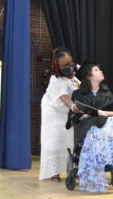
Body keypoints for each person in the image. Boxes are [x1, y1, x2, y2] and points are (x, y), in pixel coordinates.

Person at [70, 62, 113, 192]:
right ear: (89, 76)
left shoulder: (106, 92)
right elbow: (73, 117)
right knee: (93, 130)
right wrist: (83, 115)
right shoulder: (78, 94)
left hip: (106, 126)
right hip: (87, 126)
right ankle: (94, 173)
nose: (101, 71)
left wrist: (103, 113)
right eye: (97, 70)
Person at [39, 47, 82, 182]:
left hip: (67, 114)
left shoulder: (73, 76)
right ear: (58, 67)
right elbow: (63, 96)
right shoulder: (56, 79)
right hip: (54, 113)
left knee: (70, 140)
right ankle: (54, 172)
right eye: (64, 66)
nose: (68, 67)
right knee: (55, 141)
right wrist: (73, 106)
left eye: (70, 63)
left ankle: (72, 169)